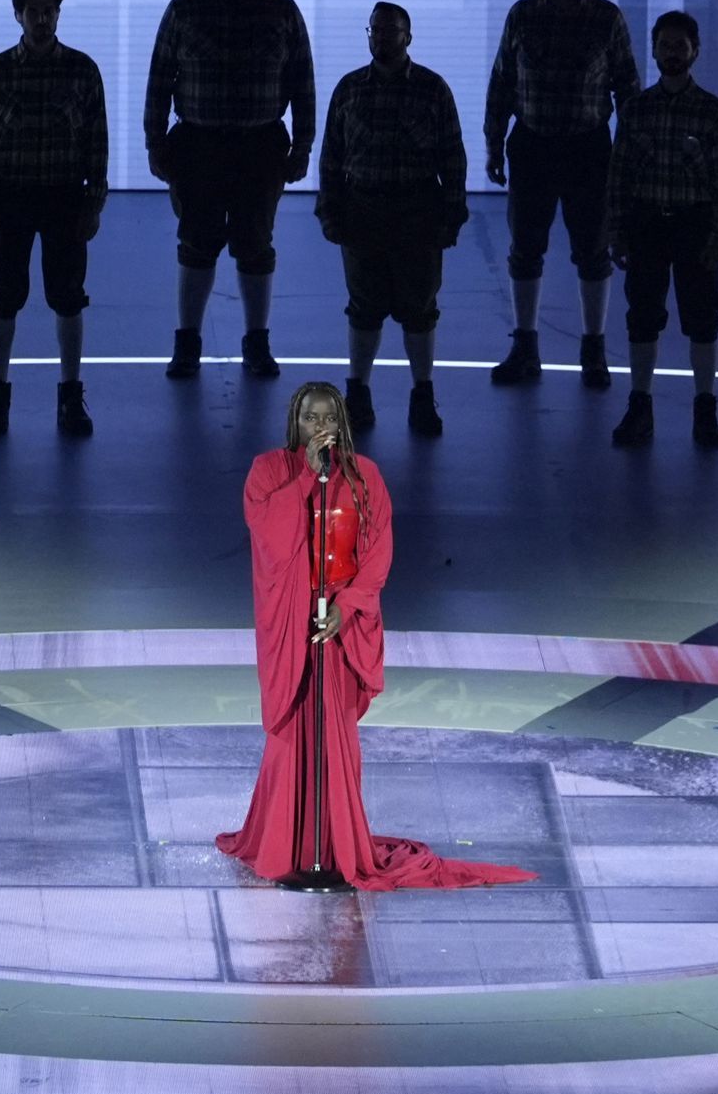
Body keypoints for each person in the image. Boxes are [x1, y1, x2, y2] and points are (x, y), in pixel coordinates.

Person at [216, 382, 538, 891]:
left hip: (341, 625)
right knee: (293, 733)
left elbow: (376, 554)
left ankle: (337, 847)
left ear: (342, 422)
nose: (320, 428)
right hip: (294, 622)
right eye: (310, 418)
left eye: (329, 418)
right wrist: (308, 477)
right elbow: (267, 530)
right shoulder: (269, 471)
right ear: (295, 422)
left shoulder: (365, 476)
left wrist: (345, 609)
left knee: (336, 733)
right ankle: (286, 845)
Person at [144, 0, 314, 379]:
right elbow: (159, 80)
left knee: (255, 245)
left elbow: (302, 83)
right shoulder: (184, 9)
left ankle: (257, 343)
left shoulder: (282, 10)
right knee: (195, 244)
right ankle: (187, 344)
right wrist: (155, 143)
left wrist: (302, 147)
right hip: (197, 146)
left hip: (261, 147)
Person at [483, 0, 639, 391]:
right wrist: (494, 144)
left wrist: (629, 153)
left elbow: (627, 87)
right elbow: (502, 81)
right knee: (525, 249)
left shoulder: (607, 18)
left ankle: (594, 351)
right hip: (532, 145)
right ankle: (525, 347)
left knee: (593, 251)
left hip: (588, 149)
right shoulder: (522, 15)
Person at [317, 0, 467, 441]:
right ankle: (358, 393)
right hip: (363, 209)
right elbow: (332, 155)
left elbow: (453, 156)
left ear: (408, 36)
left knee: (419, 308)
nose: (381, 37)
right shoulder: (349, 89)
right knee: (364, 306)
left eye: (390, 30)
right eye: (375, 30)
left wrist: (452, 212)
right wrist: (330, 208)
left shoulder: (433, 89)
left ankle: (421, 393)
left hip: (417, 210)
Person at [0, 0, 108, 438]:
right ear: (19, 15)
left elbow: (97, 141)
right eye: (34, 12)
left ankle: (70, 396)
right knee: (4, 297)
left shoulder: (83, 70)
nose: (42, 19)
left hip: (65, 196)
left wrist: (94, 202)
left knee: (68, 296)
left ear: (58, 15)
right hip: (11, 196)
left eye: (49, 11)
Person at [607, 11, 718, 450]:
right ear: (654, 50)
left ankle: (706, 408)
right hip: (646, 225)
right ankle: (640, 406)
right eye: (665, 45)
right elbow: (619, 175)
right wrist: (617, 230)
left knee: (703, 320)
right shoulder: (636, 109)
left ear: (695, 51)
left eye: (680, 45)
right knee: (642, 317)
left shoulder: (713, 113)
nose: (672, 53)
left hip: (693, 225)